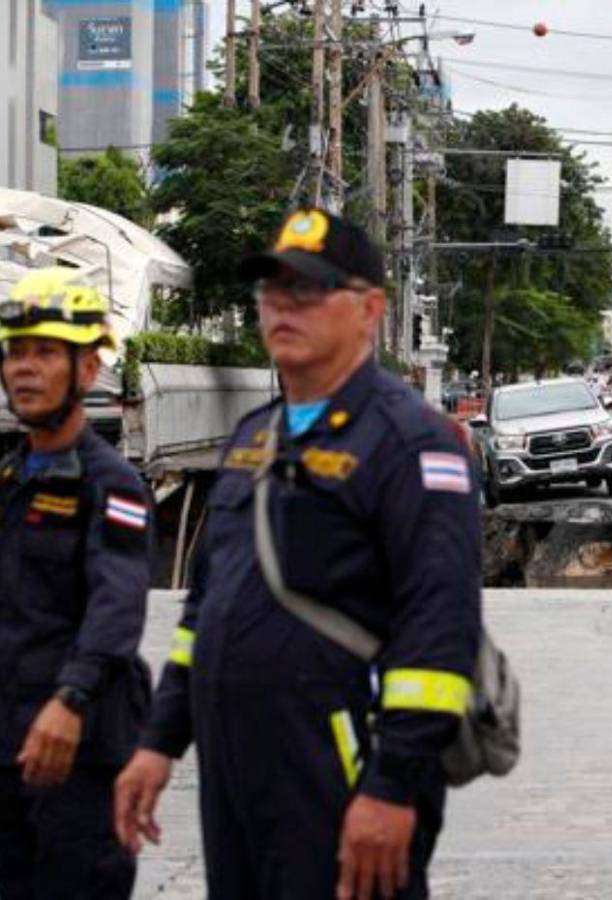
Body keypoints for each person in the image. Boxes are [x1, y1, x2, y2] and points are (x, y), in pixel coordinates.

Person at [114, 209, 482, 900]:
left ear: (370, 309)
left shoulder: (414, 445)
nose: (284, 306)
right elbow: (202, 615)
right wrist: (159, 740)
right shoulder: (254, 438)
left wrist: (393, 785)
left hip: (346, 769)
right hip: (238, 771)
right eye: (271, 290)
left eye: (309, 290)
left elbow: (439, 634)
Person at [0, 268, 153, 899]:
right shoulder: (11, 478)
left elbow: (118, 607)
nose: (24, 369)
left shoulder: (110, 484)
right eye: (15, 352)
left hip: (77, 753)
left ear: (87, 372)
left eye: (45, 353)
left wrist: (70, 700)